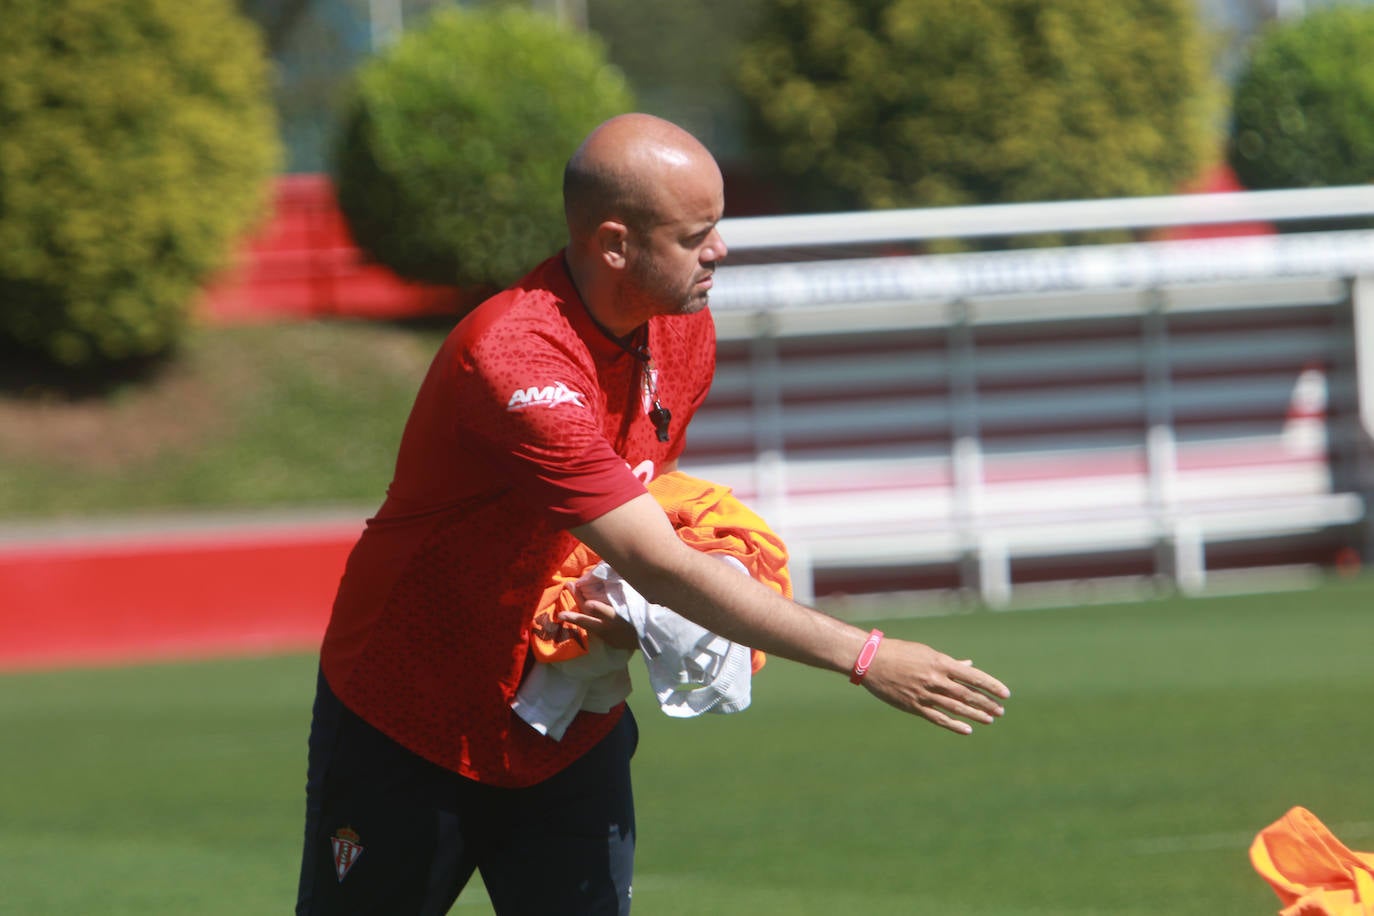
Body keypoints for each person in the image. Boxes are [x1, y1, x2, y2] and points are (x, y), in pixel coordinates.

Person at [295, 112, 1011, 916]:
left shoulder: (683, 326)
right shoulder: (516, 361)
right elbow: (654, 559)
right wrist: (867, 655)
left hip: (564, 719)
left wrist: (610, 609)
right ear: (614, 245)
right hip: (408, 717)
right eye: (695, 234)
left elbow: (638, 499)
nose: (721, 251)